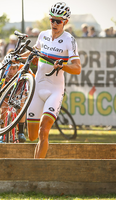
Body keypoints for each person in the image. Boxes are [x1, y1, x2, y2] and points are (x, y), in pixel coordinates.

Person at [16, 2, 81, 158]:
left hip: (54, 90)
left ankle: (37, 172)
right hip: (37, 88)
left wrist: (63, 65)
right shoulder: (43, 35)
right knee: (32, 136)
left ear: (65, 22)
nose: (54, 23)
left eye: (58, 21)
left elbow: (77, 68)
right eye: (52, 20)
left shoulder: (69, 39)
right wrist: (17, 58)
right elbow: (34, 53)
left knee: (43, 131)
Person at [0, 62, 27, 143]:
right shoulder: (2, 70)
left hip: (19, 90)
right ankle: (2, 134)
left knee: (21, 107)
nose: (11, 72)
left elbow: (34, 78)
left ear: (18, 68)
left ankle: (21, 132)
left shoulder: (22, 68)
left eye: (14, 69)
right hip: (5, 91)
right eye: (10, 69)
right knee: (3, 111)